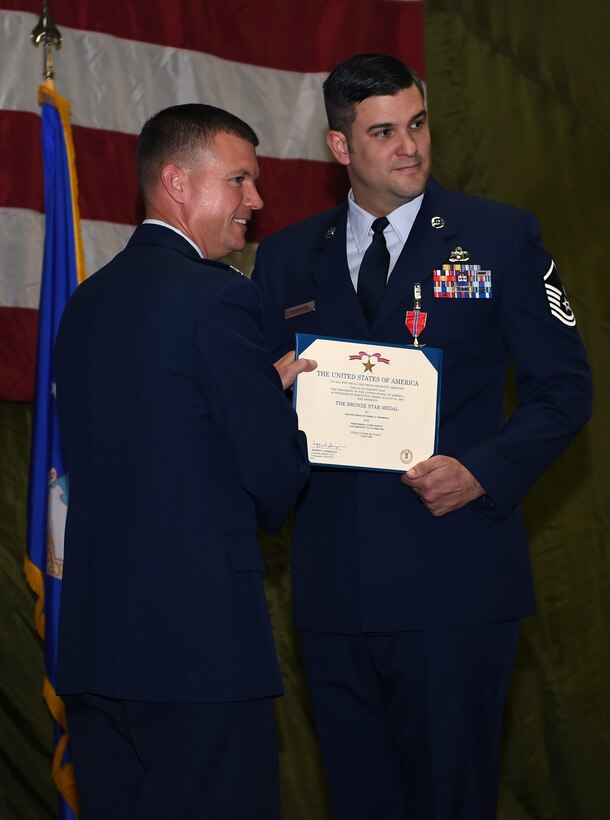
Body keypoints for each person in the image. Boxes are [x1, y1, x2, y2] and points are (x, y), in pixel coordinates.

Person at [251, 54, 592, 820]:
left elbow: (565, 390)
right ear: (340, 147)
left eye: (418, 122)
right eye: (382, 132)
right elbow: (261, 420)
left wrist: (480, 471)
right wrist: (264, 392)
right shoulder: (283, 257)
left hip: (453, 578)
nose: (409, 145)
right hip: (336, 589)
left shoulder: (500, 238)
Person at [54, 104, 315, 820]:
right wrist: (280, 400)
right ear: (176, 183)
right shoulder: (222, 300)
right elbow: (272, 480)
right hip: (198, 653)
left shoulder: (84, 305)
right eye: (239, 181)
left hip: (94, 650)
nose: (256, 202)